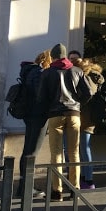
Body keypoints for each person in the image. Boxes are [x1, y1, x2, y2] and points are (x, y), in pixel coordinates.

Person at [38, 43, 93, 201]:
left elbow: (41, 97)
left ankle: (57, 191)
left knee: (56, 153)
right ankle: (75, 189)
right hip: (74, 114)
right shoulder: (77, 71)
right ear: (65, 56)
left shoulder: (47, 73)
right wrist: (77, 103)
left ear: (53, 57)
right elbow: (88, 92)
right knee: (74, 152)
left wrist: (49, 106)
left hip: (55, 115)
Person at [16, 50, 52, 199]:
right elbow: (40, 94)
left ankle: (23, 187)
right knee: (32, 152)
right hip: (38, 115)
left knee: (27, 150)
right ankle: (27, 188)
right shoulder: (39, 72)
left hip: (30, 114)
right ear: (46, 60)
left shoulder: (29, 71)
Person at [76, 57, 105, 190]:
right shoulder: (96, 77)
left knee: (83, 149)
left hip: (83, 117)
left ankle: (87, 179)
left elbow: (86, 94)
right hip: (90, 118)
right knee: (84, 149)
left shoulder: (88, 77)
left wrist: (78, 104)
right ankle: (87, 178)